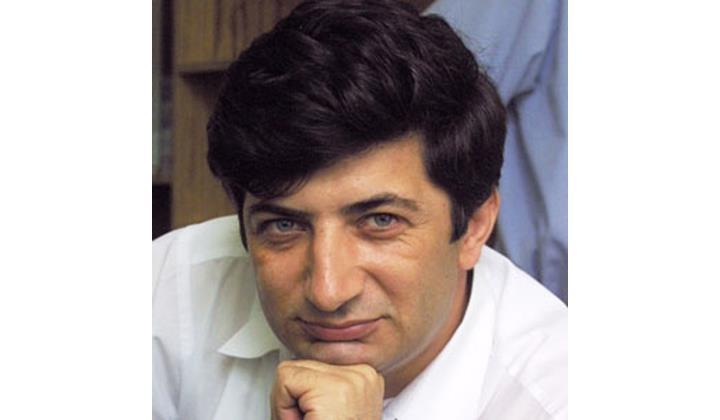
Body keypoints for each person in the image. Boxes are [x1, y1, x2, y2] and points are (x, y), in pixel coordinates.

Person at [152, 0, 567, 419]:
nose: (328, 292)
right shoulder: (174, 286)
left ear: (475, 226)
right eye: (283, 225)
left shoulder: (558, 398)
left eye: (380, 222)